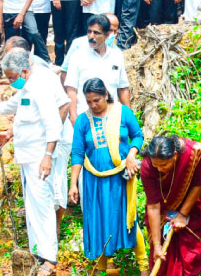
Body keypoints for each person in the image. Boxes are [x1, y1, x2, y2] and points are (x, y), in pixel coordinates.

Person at [0, 50, 66, 276]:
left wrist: (47, 156)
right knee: (32, 207)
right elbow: (9, 106)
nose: (10, 82)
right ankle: (37, 252)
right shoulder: (27, 87)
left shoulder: (40, 87)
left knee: (43, 206)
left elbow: (53, 124)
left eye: (11, 77)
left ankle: (50, 258)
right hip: (27, 158)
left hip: (39, 157)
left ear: (24, 71)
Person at [69, 78, 148, 275]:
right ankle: (104, 267)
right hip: (94, 181)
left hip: (120, 178)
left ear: (106, 95)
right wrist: (73, 184)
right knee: (99, 221)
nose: (93, 105)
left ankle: (144, 267)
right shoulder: (82, 121)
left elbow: (138, 136)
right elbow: (77, 153)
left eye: (96, 100)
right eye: (89, 102)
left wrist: (131, 155)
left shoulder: (123, 112)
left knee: (128, 220)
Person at [141, 135, 201, 276]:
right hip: (160, 212)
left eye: (164, 165)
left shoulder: (191, 154)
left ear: (175, 155)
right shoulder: (147, 166)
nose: (159, 169)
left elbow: (198, 185)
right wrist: (157, 246)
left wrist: (182, 214)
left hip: (189, 206)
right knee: (161, 263)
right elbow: (153, 206)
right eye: (156, 165)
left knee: (190, 255)